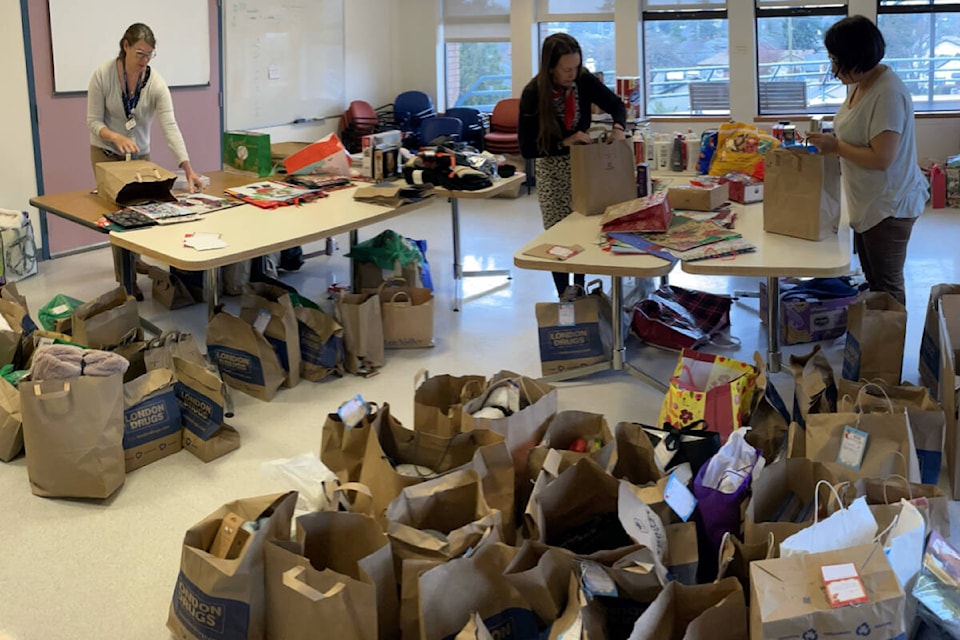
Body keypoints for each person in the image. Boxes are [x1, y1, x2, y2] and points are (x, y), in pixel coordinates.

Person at [806, 15, 928, 306]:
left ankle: (888, 347)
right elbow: (857, 135)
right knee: (874, 282)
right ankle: (874, 344)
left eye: (837, 61)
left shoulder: (887, 93)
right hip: (869, 202)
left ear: (857, 58)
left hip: (889, 206)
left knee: (887, 286)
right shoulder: (863, 83)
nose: (833, 70)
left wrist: (835, 146)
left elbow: (882, 158)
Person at [87, 22, 204, 298]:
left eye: (150, 55)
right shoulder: (103, 75)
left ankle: (134, 260)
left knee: (142, 210)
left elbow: (170, 126)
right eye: (140, 53)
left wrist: (188, 168)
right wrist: (115, 137)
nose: (144, 60)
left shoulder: (156, 83)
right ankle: (126, 282)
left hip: (139, 156)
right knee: (119, 214)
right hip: (105, 153)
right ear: (125, 46)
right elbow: (92, 122)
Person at [519, 33, 628, 298]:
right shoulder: (533, 94)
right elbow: (528, 149)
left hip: (583, 166)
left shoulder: (583, 80)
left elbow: (616, 105)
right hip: (552, 170)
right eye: (566, 69)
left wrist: (618, 127)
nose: (572, 74)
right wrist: (565, 141)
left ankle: (578, 288)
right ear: (550, 67)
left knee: (582, 231)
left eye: (576, 67)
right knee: (558, 236)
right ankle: (563, 296)